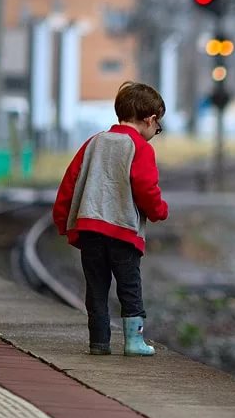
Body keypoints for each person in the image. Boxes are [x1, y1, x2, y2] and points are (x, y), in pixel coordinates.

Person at [53, 81, 168, 356]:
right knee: (129, 286)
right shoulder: (139, 147)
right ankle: (134, 342)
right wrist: (159, 210)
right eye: (158, 126)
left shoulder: (94, 143)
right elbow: (145, 187)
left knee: (96, 288)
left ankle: (99, 343)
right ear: (150, 120)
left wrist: (62, 218)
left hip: (90, 229)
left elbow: (70, 182)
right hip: (122, 232)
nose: (156, 131)